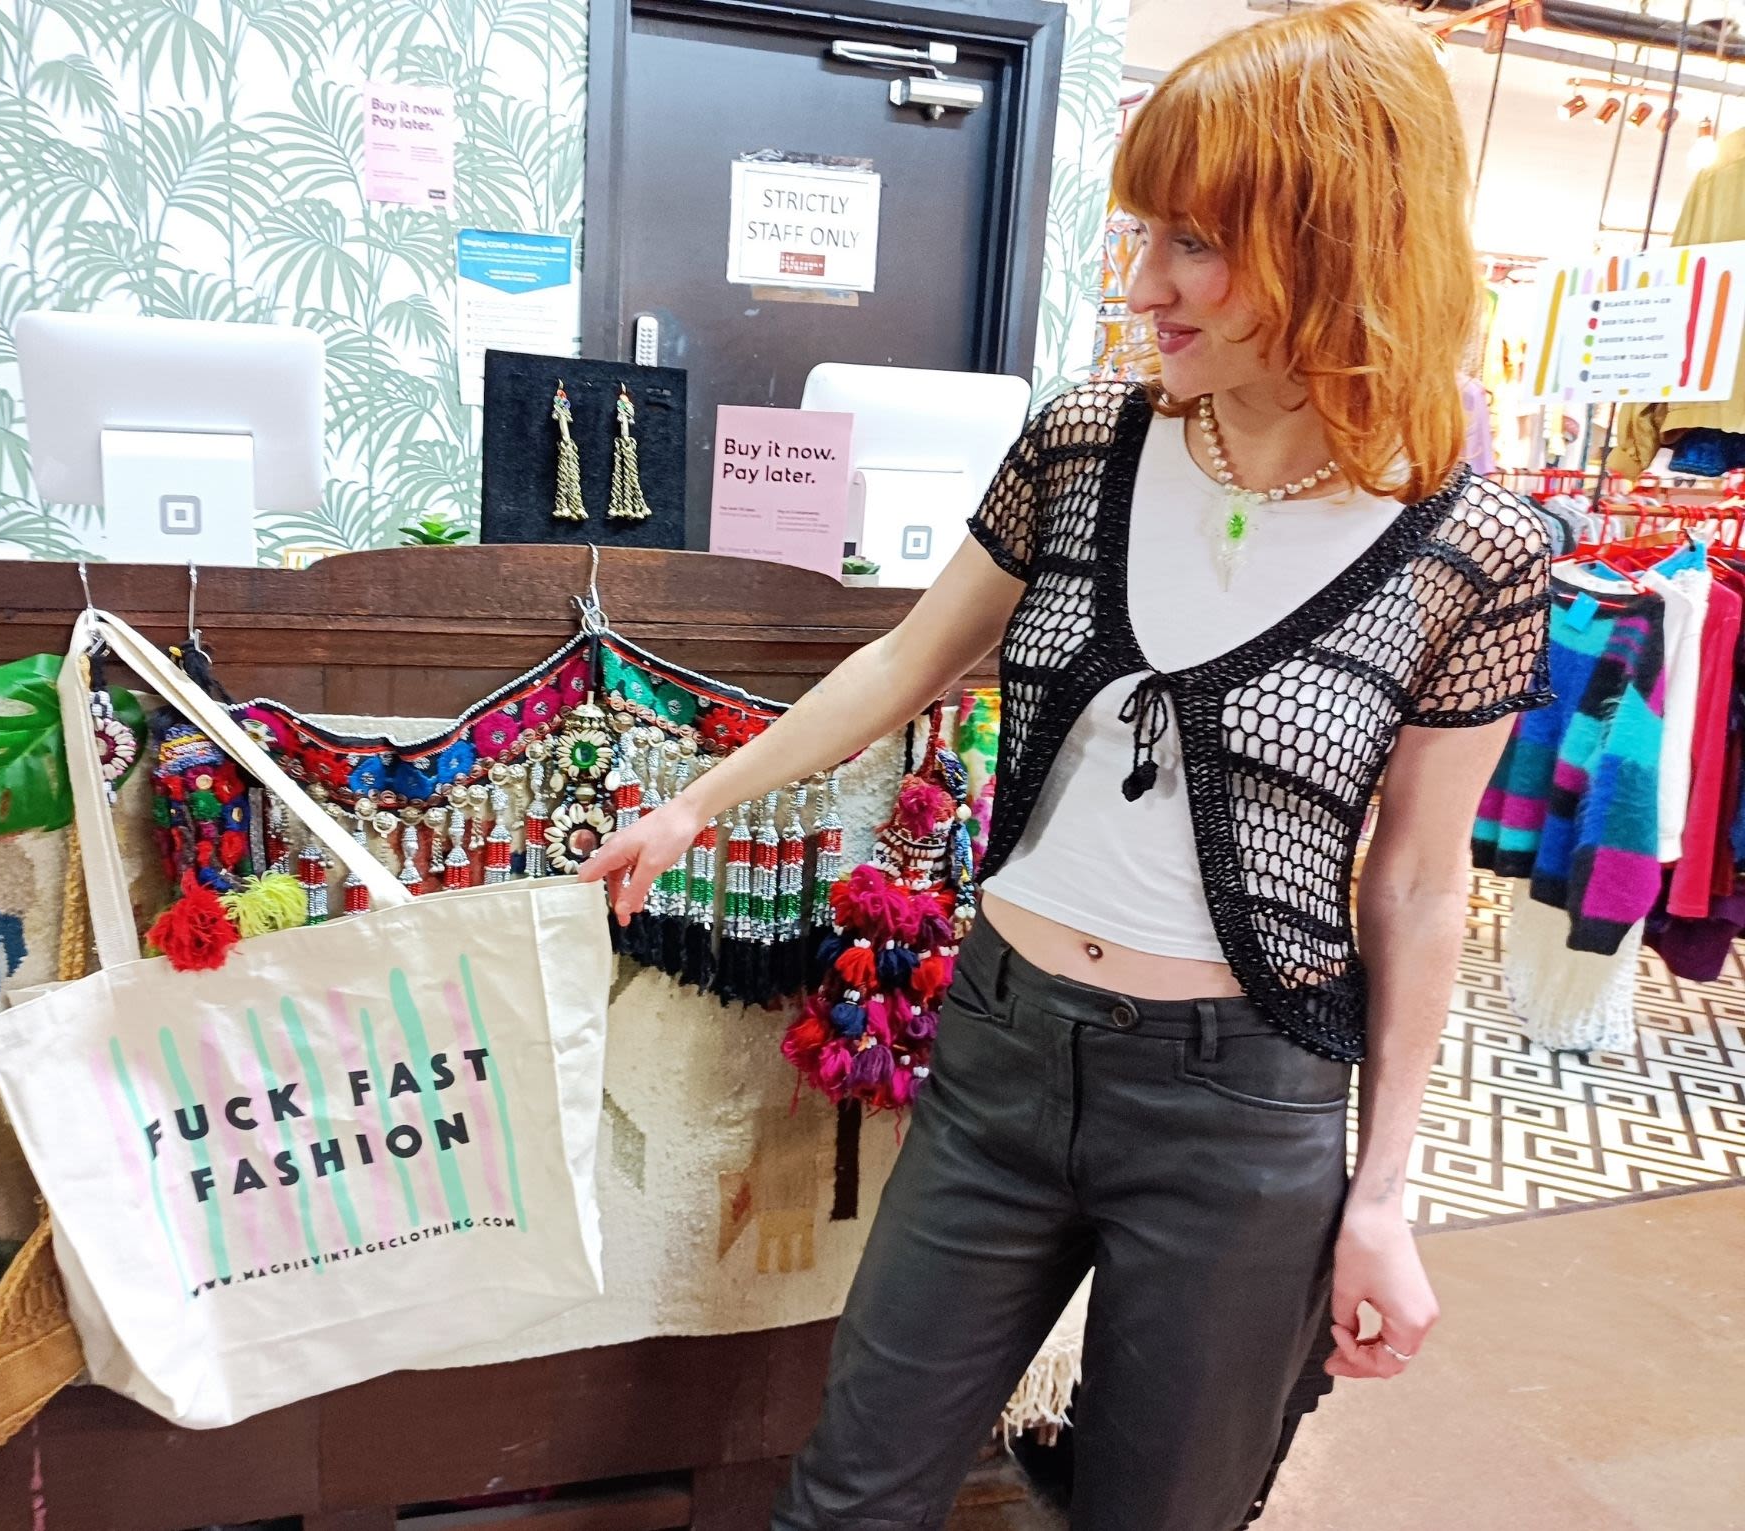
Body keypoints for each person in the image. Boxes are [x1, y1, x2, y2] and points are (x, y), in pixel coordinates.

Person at [579, 4, 1553, 1527]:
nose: (1144, 282)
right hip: (1004, 1055)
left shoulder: (1469, 551)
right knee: (852, 1492)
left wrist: (1385, 1196)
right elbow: (907, 661)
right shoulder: (1087, 440)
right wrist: (699, 802)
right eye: (1143, 232)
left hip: (1242, 1108)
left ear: (1339, 242)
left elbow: (1420, 887)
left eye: (1196, 243)